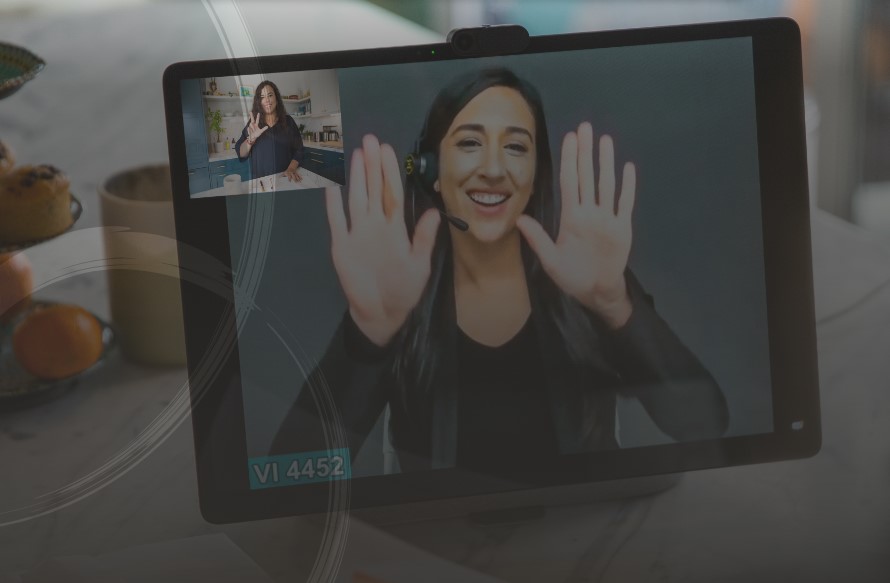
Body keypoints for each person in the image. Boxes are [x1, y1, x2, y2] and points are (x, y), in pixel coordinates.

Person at [271, 67, 728, 475]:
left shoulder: (588, 277)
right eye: (469, 143)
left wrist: (614, 302)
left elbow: (705, 422)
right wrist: (367, 334)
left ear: (534, 175)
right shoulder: (399, 288)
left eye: (515, 147)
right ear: (431, 169)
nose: (493, 169)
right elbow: (290, 471)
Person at [234, 80, 304, 182]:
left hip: (285, 180)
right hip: (261, 183)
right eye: (262, 97)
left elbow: (299, 149)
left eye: (270, 95)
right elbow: (241, 153)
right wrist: (250, 140)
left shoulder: (288, 121)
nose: (267, 100)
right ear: (259, 102)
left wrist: (291, 168)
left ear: (276, 98)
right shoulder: (254, 124)